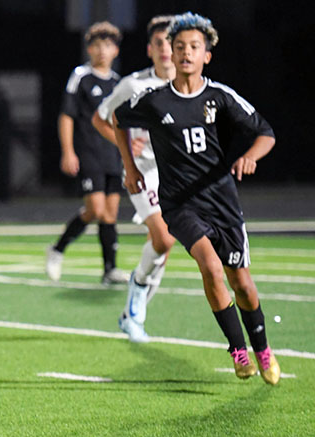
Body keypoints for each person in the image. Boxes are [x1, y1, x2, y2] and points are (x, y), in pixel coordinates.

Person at [113, 12, 280, 384]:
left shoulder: (220, 97)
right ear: (169, 53)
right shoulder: (153, 100)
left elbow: (265, 132)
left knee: (244, 287)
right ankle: (239, 352)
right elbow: (117, 120)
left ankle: (263, 349)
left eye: (194, 47)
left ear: (207, 55)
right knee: (210, 266)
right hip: (179, 205)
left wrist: (251, 155)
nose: (185, 52)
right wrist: (130, 168)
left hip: (222, 203)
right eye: (179, 47)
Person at [92, 15, 178, 342]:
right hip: (143, 172)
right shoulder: (133, 85)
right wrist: (124, 142)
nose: (167, 49)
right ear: (150, 49)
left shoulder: (190, 84)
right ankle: (135, 301)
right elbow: (102, 118)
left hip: (177, 174)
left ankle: (132, 316)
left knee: (161, 249)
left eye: (172, 43)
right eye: (160, 43)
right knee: (164, 239)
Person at [46, 21, 129, 286]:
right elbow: (67, 116)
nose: (102, 50)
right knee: (95, 209)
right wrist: (68, 151)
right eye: (96, 45)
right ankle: (58, 248)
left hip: (113, 156)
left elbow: (122, 123)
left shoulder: (119, 83)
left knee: (110, 213)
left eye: (108, 45)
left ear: (116, 50)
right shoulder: (81, 76)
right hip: (89, 153)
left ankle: (109, 270)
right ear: (89, 49)